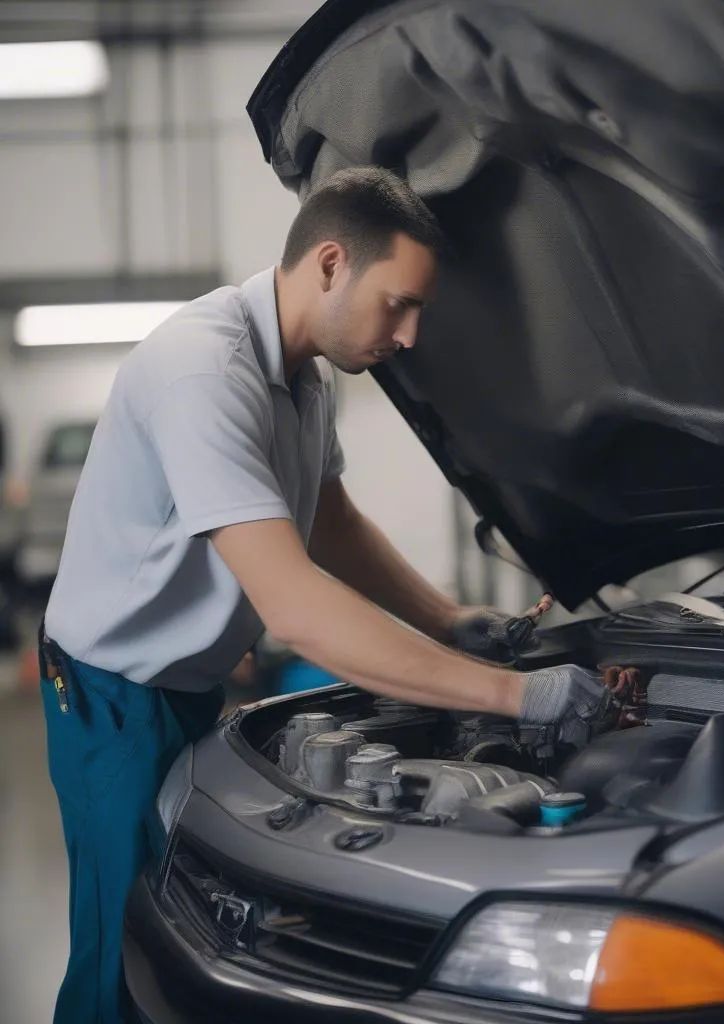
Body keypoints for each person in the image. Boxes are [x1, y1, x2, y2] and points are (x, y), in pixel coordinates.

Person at [37, 166, 608, 1024]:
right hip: (110, 694)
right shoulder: (205, 371)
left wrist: (450, 620)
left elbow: (332, 522)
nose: (410, 336)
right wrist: (516, 695)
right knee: (121, 956)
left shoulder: (303, 379)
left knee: (187, 928)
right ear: (331, 263)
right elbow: (296, 607)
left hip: (184, 687)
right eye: (399, 304)